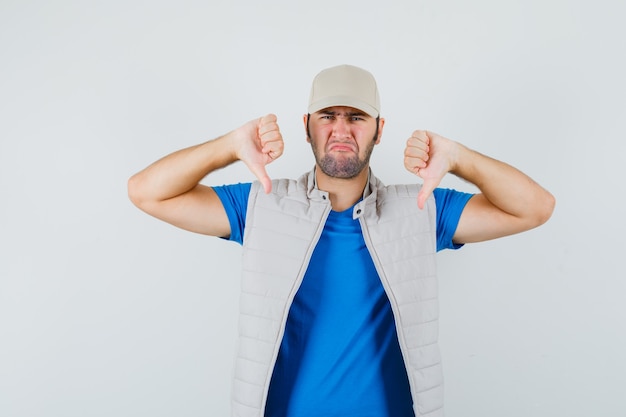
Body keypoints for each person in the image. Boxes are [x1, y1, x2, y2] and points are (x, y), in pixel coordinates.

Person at [128, 64, 555, 417]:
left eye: (356, 117)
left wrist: (460, 158)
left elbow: (535, 207)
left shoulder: (422, 210)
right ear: (307, 127)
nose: (341, 130)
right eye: (327, 116)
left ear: (379, 129)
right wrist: (228, 147)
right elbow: (146, 192)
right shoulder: (262, 204)